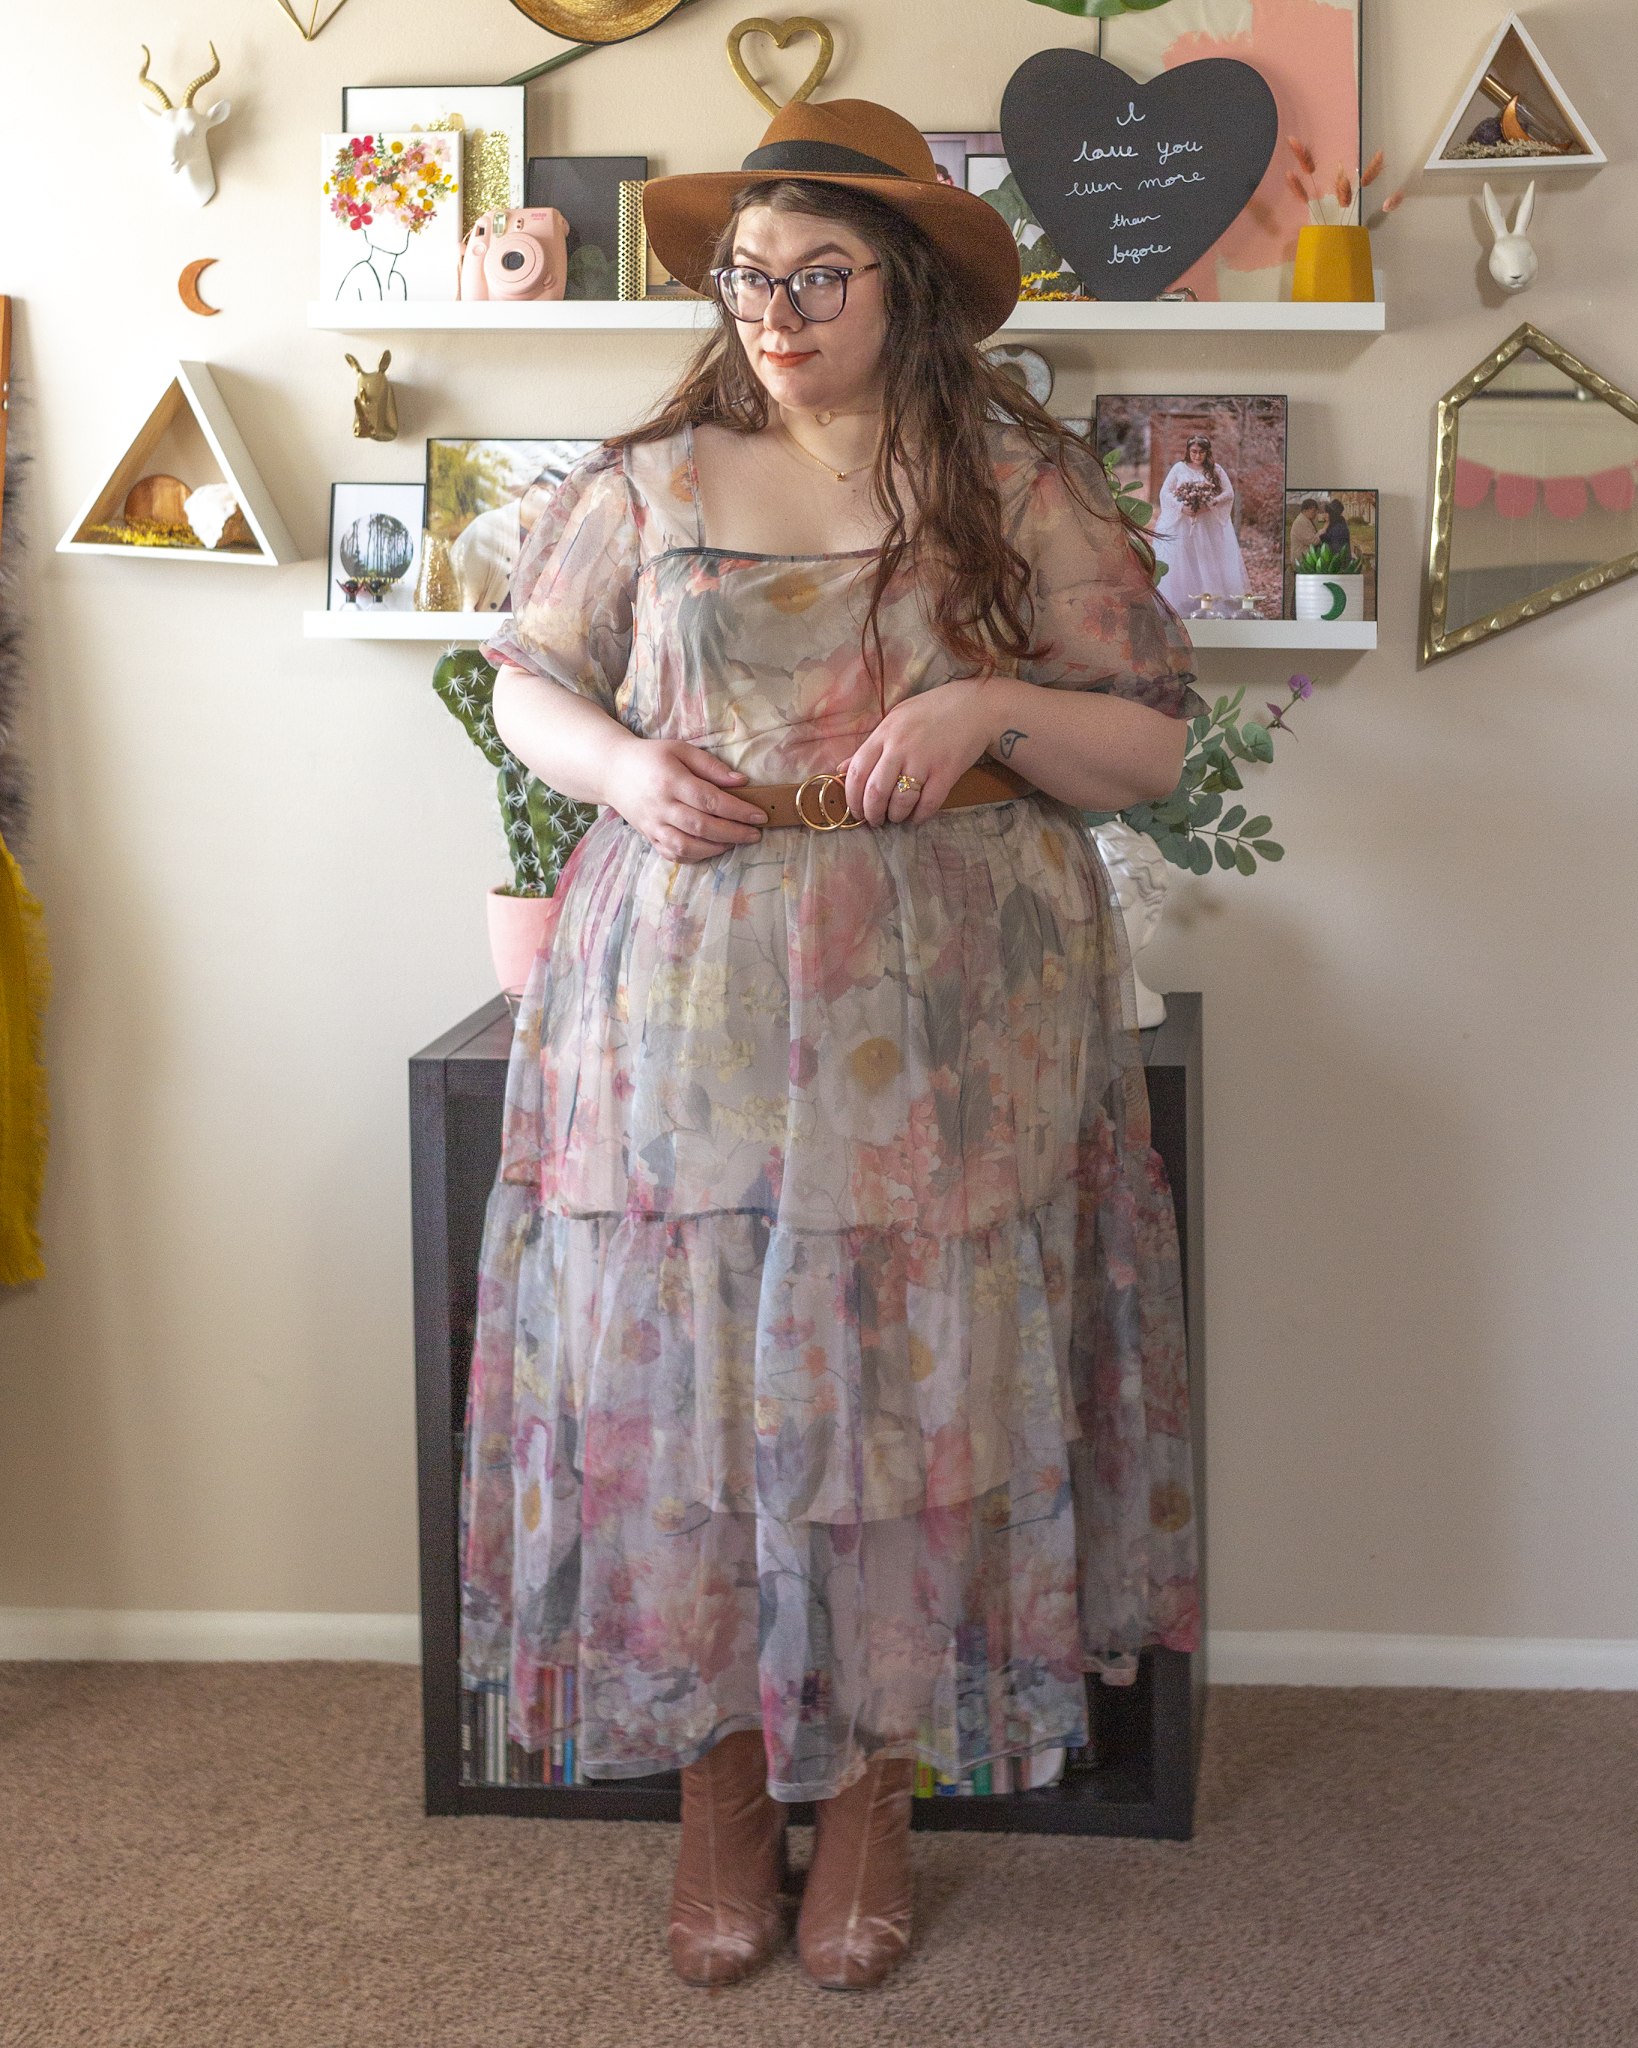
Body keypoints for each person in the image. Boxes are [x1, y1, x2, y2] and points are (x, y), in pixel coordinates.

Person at [458, 94, 1201, 1995]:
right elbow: (526, 684)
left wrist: (984, 703)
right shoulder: (652, 479)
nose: (775, 307)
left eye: (818, 274)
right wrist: (622, 762)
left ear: (903, 291)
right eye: (748, 272)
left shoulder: (1015, 486)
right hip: (682, 1014)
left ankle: (867, 1793)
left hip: (947, 1026)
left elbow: (1143, 747)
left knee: (908, 1409)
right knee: (687, 1407)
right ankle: (722, 1796)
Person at [1152, 432, 1247, 608]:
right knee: (1183, 560)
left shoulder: (1215, 470)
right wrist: (1181, 507)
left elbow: (1228, 493)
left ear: (1207, 452)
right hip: (1182, 522)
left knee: (1205, 559)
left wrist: (1211, 503)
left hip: (1206, 523)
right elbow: (1165, 492)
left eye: (1201, 452)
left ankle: (1208, 602)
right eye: (1194, 451)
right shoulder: (1179, 468)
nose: (1197, 456)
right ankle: (1182, 603)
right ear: (1188, 451)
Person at [448, 476, 559, 611]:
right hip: (485, 629)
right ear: (533, 492)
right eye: (556, 496)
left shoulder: (553, 544)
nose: (560, 507)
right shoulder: (488, 527)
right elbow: (461, 600)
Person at [1288, 495, 1325, 560]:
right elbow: (1312, 541)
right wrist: (1320, 533)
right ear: (1304, 511)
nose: (1315, 513)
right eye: (1313, 511)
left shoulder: (1307, 520)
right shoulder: (1300, 522)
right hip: (1301, 560)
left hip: (1306, 558)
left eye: (1316, 511)